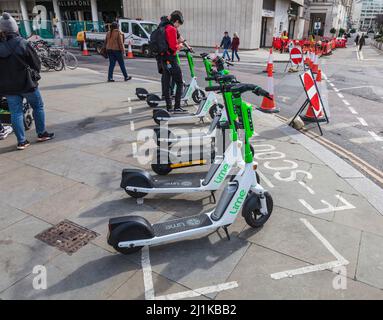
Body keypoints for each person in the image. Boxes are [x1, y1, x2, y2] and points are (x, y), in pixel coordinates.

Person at [0, 12, 54, 150]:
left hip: (8, 87)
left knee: (16, 113)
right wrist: (34, 74)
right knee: (38, 106)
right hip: (27, 84)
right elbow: (36, 64)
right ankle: (41, 133)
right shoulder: (23, 43)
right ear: (14, 28)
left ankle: (22, 141)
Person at [162, 11, 185, 112]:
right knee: (179, 82)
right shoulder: (171, 29)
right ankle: (177, 106)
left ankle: (169, 106)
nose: (178, 26)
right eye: (179, 24)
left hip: (164, 59)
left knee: (167, 82)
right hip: (171, 58)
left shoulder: (164, 27)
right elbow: (173, 47)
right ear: (176, 21)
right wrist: (180, 46)